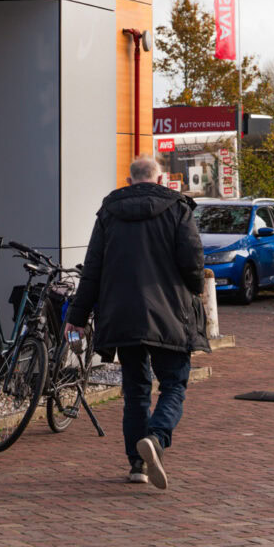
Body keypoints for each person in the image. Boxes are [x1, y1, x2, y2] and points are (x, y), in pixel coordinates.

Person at [64, 155, 206, 490]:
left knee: (136, 391)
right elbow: (193, 261)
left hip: (123, 316)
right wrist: (197, 290)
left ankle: (138, 465)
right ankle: (156, 438)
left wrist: (77, 316)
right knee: (173, 383)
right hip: (169, 314)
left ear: (130, 182)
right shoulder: (178, 208)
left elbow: (92, 268)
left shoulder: (109, 212)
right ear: (160, 180)